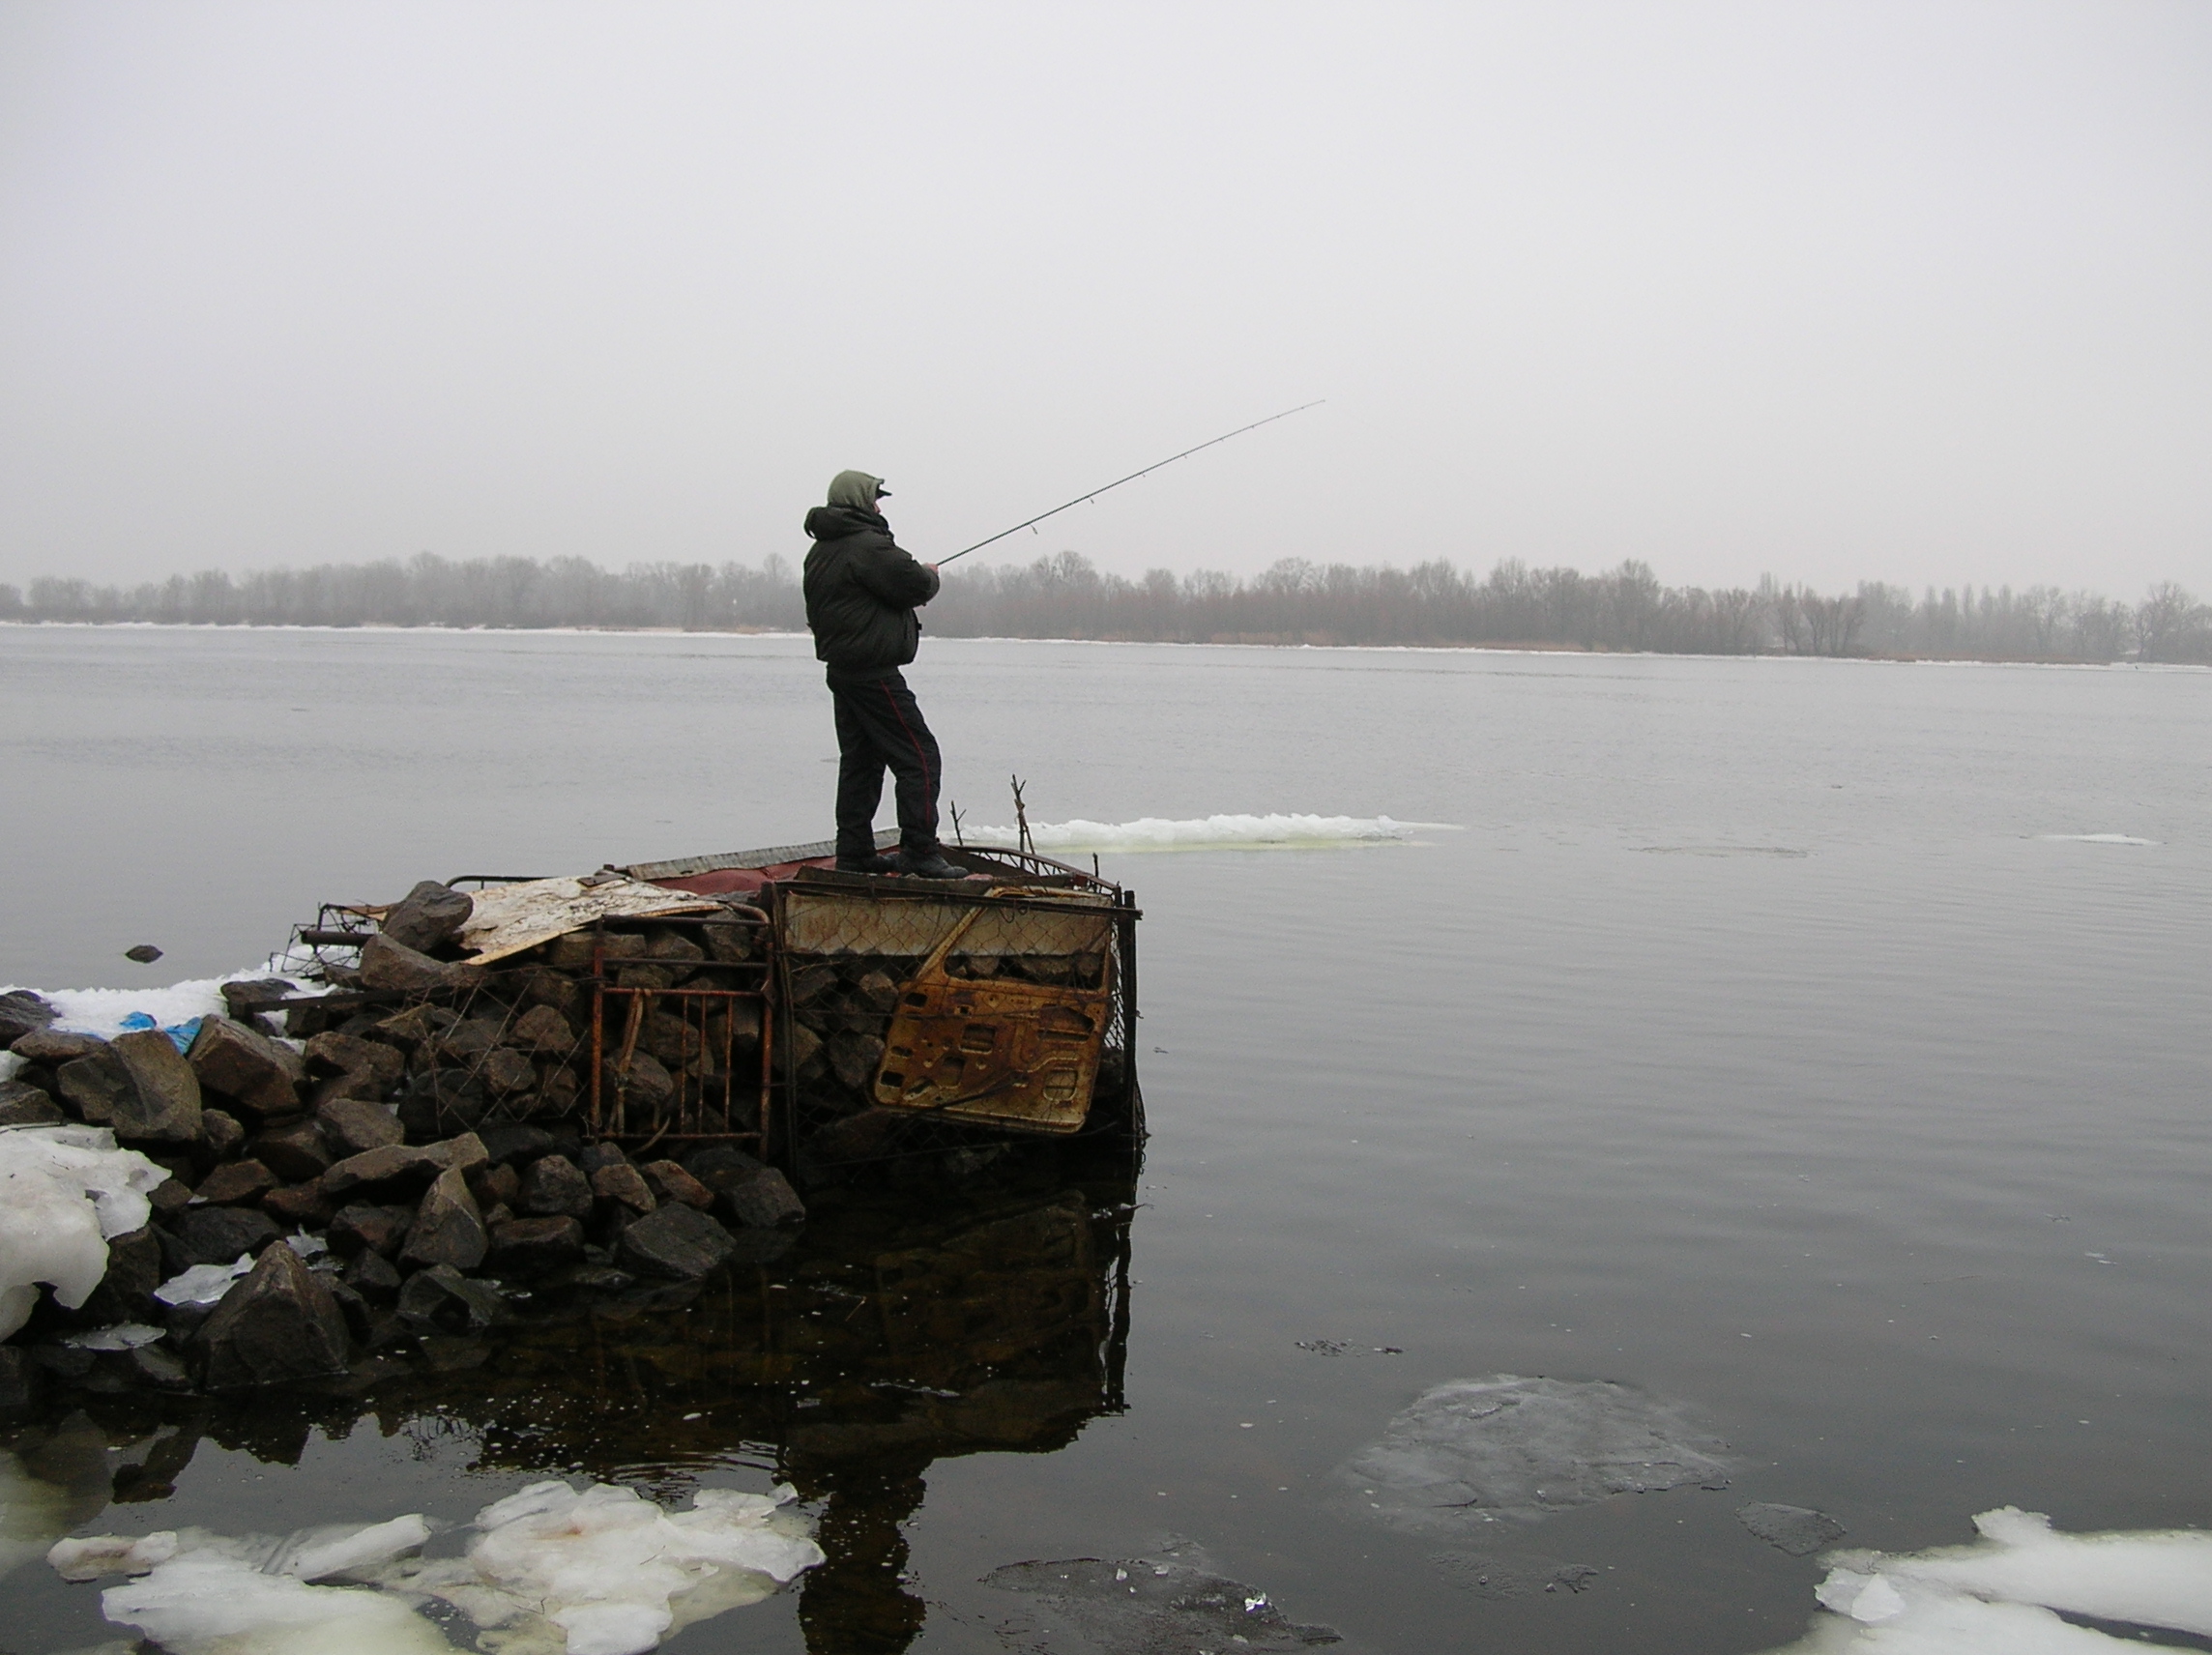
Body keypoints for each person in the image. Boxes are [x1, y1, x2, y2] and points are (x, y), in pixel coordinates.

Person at [801, 470, 966, 879]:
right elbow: (914, 584)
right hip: (873, 674)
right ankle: (920, 852)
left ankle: (854, 855)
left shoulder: (822, 550)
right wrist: (931, 574)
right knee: (919, 757)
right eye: (874, 499)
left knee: (861, 763)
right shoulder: (866, 546)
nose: (878, 507)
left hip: (843, 672)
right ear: (858, 501)